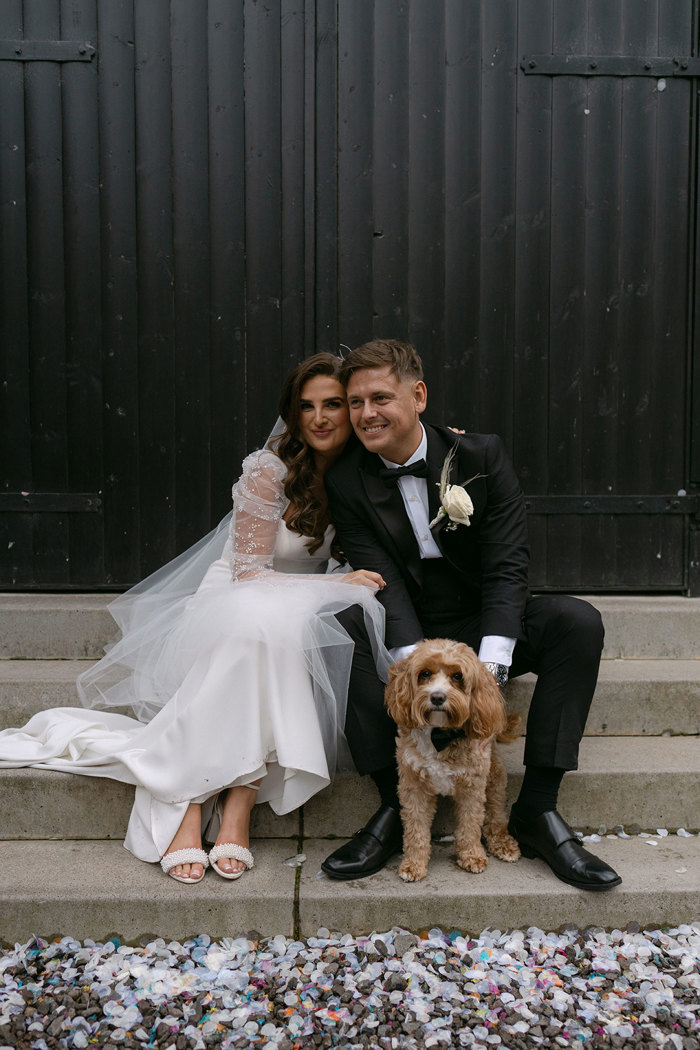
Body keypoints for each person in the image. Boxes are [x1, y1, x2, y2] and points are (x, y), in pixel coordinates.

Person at [0, 354, 390, 883]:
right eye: (307, 407)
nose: (319, 418)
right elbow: (249, 574)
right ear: (293, 415)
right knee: (257, 627)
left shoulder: (363, 470)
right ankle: (208, 801)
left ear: (353, 410)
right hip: (239, 590)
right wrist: (332, 584)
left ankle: (218, 800)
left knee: (279, 629)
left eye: (333, 405)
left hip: (301, 600)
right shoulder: (268, 469)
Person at [319, 338, 621, 892]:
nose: (365, 414)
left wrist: (486, 668)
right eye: (355, 402)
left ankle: (538, 809)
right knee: (336, 627)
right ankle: (395, 805)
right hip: (407, 621)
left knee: (577, 622)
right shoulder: (346, 479)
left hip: (482, 619)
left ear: (419, 395)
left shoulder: (481, 457)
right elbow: (379, 576)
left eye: (380, 398)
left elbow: (509, 563)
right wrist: (418, 667)